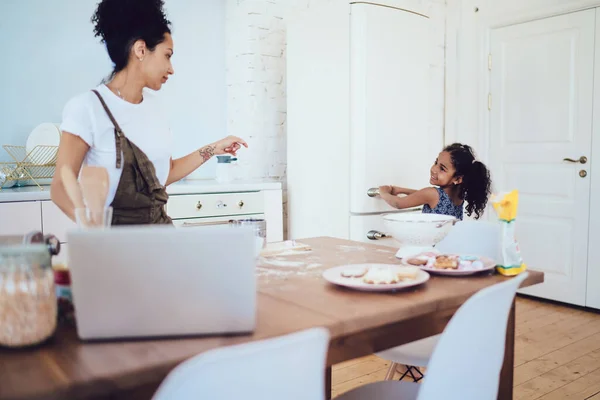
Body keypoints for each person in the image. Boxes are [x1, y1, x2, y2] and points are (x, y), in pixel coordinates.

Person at [50, 0, 246, 225]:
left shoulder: (156, 107)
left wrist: (214, 148)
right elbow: (60, 187)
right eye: (167, 55)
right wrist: (90, 224)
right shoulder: (88, 108)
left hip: (161, 238)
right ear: (141, 50)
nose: (171, 68)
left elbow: (165, 173)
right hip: (114, 245)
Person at [377, 143, 492, 220]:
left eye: (442, 168)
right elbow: (424, 196)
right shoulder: (459, 196)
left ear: (457, 179)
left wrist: (383, 192)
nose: (434, 169)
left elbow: (399, 203)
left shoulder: (432, 194)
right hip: (447, 248)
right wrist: (402, 190)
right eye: (436, 162)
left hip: (431, 248)